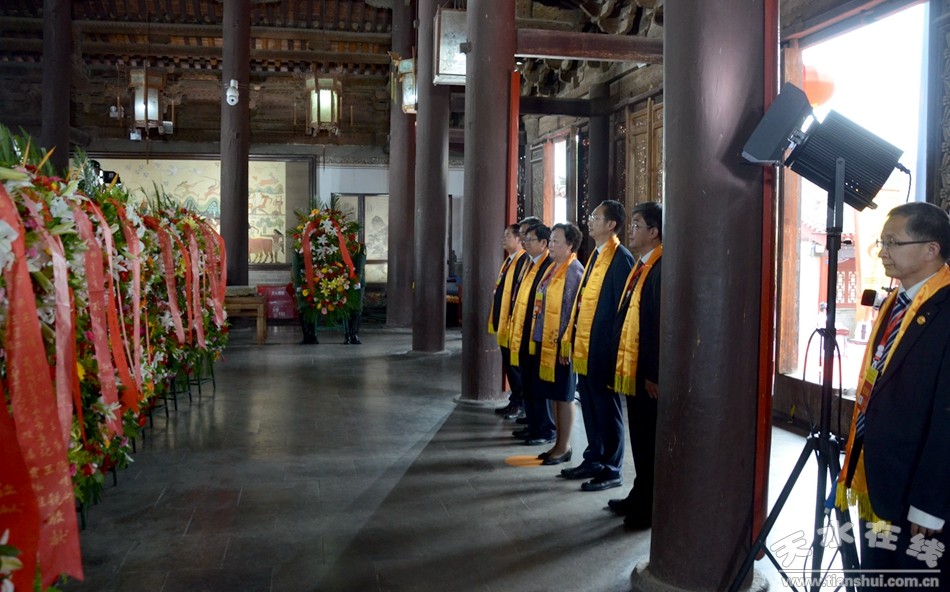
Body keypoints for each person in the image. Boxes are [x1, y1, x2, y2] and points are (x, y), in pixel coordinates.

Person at [836, 201, 950, 587]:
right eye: (881, 243)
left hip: (918, 486)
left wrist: (930, 503)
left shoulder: (945, 308)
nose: (882, 252)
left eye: (892, 243)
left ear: (931, 249)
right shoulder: (896, 301)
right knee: (877, 574)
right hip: (879, 476)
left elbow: (946, 417)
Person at [560, 200, 635, 491]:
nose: (589, 220)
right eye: (591, 216)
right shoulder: (595, 255)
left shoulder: (621, 258)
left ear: (611, 225)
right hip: (585, 347)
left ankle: (612, 468)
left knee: (607, 408)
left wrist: (612, 350)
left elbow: (622, 311)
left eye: (596, 217)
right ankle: (594, 457)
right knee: (590, 406)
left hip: (603, 349)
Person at [608, 201, 663, 530]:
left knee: (648, 440)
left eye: (637, 224)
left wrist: (653, 373)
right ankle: (639, 493)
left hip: (647, 373)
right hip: (633, 367)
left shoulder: (659, 267)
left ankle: (650, 506)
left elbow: (657, 325)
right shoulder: (642, 265)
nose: (632, 229)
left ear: (653, 232)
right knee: (639, 438)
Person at [531, 223, 584, 465]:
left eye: (556, 241)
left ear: (570, 245)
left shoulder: (573, 271)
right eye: (550, 240)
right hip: (547, 342)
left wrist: (566, 345)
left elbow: (572, 313)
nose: (550, 245)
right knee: (555, 394)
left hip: (561, 346)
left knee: (564, 396)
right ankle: (558, 444)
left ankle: (564, 447)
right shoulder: (554, 268)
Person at [508, 223, 555, 445]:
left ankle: (545, 429)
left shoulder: (550, 266)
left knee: (539, 386)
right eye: (524, 238)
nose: (525, 242)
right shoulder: (530, 263)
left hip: (539, 336)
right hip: (525, 333)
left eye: (530, 239)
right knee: (528, 382)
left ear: (544, 243)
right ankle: (533, 425)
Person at [489, 224, 529, 417]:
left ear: (518, 239)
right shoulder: (509, 261)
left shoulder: (523, 261)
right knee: (509, 366)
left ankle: (520, 404)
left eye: (508, 236)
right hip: (505, 322)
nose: (503, 239)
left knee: (516, 367)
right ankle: (515, 400)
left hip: (514, 323)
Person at [343, 242, 366, 344]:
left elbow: (360, 265)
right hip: (344, 281)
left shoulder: (360, 247)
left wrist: (357, 280)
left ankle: (354, 334)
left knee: (357, 308)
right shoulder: (342, 246)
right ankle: (347, 335)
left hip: (358, 282)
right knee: (345, 308)